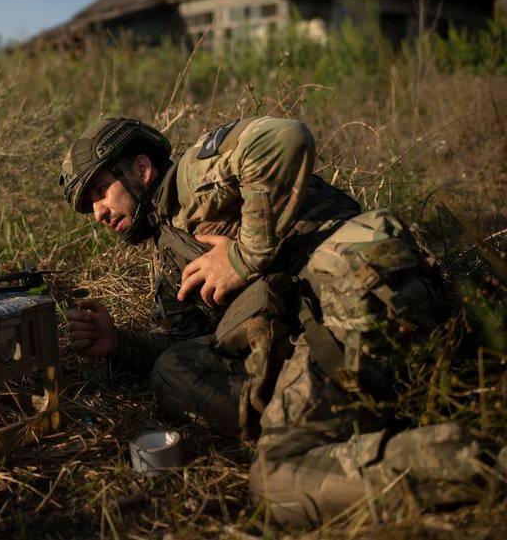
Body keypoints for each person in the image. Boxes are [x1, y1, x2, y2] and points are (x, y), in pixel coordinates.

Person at [59, 116, 501, 526]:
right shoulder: (168, 255)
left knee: (280, 480)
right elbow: (186, 342)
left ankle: (480, 464)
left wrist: (241, 258)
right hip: (323, 324)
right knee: (173, 372)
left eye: (100, 191)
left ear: (141, 167)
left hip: (356, 285)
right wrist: (119, 343)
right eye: (88, 207)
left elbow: (283, 138)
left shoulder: (191, 180)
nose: (98, 213)